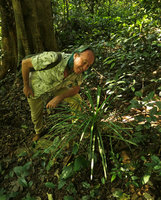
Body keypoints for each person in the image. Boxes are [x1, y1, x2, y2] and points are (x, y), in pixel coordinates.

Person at [22, 46, 95, 142]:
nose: (85, 67)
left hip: (56, 89)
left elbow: (76, 89)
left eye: (88, 65)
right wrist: (26, 86)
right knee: (36, 114)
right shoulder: (53, 58)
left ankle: (78, 127)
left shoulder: (79, 72)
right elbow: (25, 63)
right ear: (76, 56)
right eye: (84, 62)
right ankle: (38, 132)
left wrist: (59, 97)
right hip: (35, 89)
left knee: (76, 99)